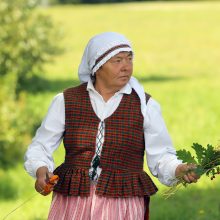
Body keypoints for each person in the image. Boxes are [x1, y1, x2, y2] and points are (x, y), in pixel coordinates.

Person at [24, 32, 199, 220]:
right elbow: (41, 146)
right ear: (97, 66)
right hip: (73, 201)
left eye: (129, 59)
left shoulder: (145, 105)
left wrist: (177, 169)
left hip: (121, 202)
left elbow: (161, 156)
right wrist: (41, 169)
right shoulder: (66, 101)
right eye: (117, 60)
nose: (126, 67)